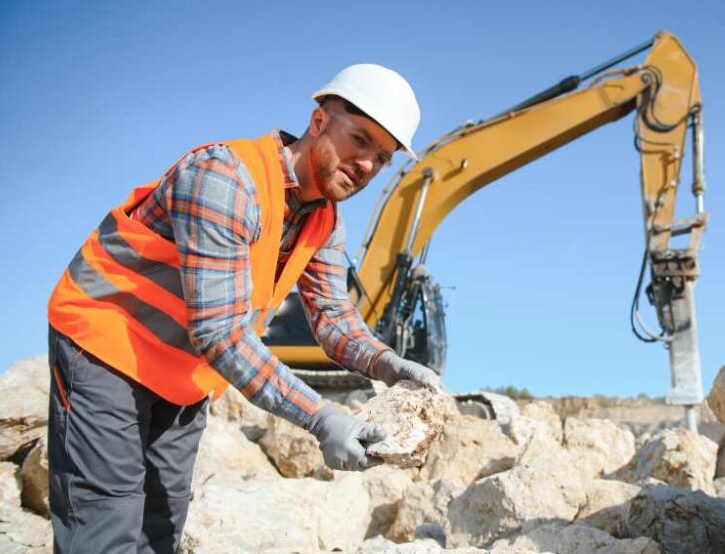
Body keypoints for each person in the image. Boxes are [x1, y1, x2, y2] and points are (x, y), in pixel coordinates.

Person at [46, 64, 440, 554]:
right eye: (359, 140)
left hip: (183, 374)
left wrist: (386, 363)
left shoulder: (326, 222)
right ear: (319, 121)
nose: (366, 165)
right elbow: (221, 333)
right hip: (107, 347)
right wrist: (323, 419)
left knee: (161, 529)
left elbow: (333, 318)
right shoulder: (225, 178)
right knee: (105, 525)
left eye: (381, 157)